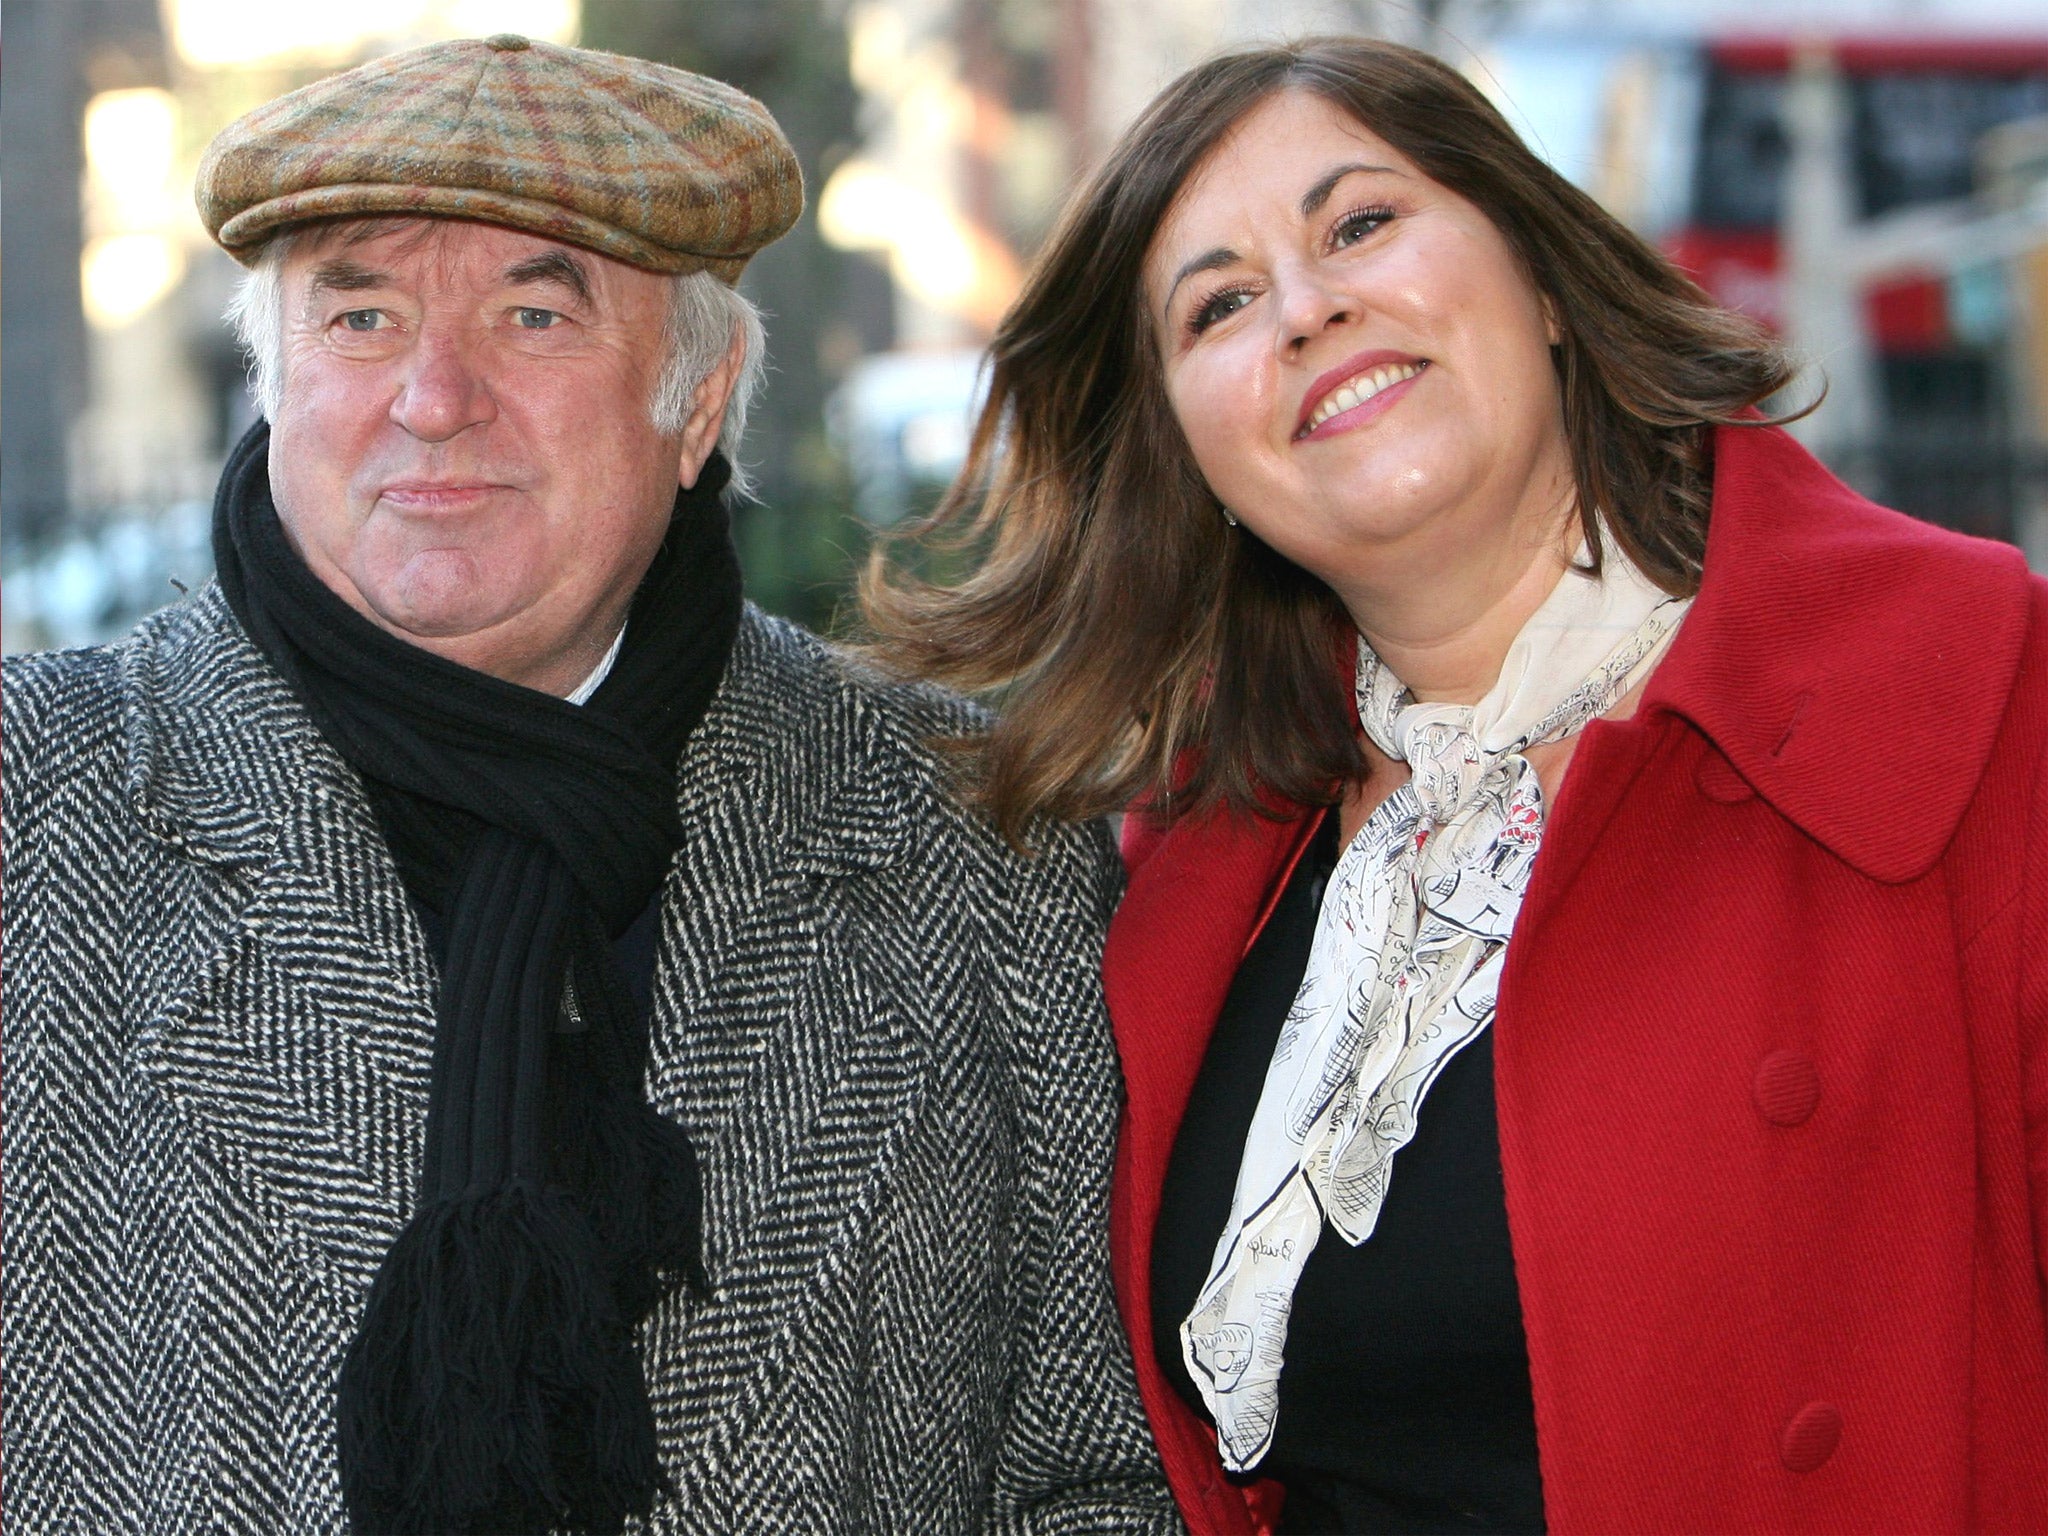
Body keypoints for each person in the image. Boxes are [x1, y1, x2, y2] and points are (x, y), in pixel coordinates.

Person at [863, 35, 2048, 1536]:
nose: (1307, 309)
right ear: (1190, 452)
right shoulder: (1201, 867)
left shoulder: (1979, 698)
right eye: (1219, 304)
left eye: (1360, 224)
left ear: (1544, 277)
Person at [0, 35, 1179, 1536]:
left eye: (535, 311)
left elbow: (1103, 1474)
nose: (432, 397)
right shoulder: (32, 806)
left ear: (701, 399)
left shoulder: (980, 837)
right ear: (275, 379)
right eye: (356, 313)